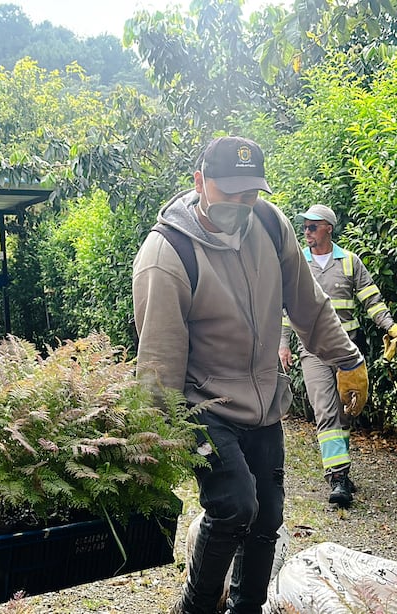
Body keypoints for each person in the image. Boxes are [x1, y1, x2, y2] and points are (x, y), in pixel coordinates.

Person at [132, 136, 369, 614]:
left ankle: (246, 607)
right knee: (236, 505)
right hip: (204, 408)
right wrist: (152, 450)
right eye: (229, 193)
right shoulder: (167, 255)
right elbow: (158, 365)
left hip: (263, 404)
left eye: (251, 193)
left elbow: (309, 303)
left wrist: (349, 361)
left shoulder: (270, 224)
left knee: (268, 517)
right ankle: (196, 608)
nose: (241, 205)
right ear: (199, 183)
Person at [278, 204, 397, 508]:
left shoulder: (349, 263)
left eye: (312, 227)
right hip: (313, 350)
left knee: (345, 413)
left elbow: (372, 300)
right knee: (326, 412)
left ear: (328, 228)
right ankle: (338, 477)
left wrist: (391, 327)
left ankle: (339, 468)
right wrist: (283, 344)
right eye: (304, 227)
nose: (306, 232)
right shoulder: (298, 265)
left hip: (346, 351)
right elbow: (286, 309)